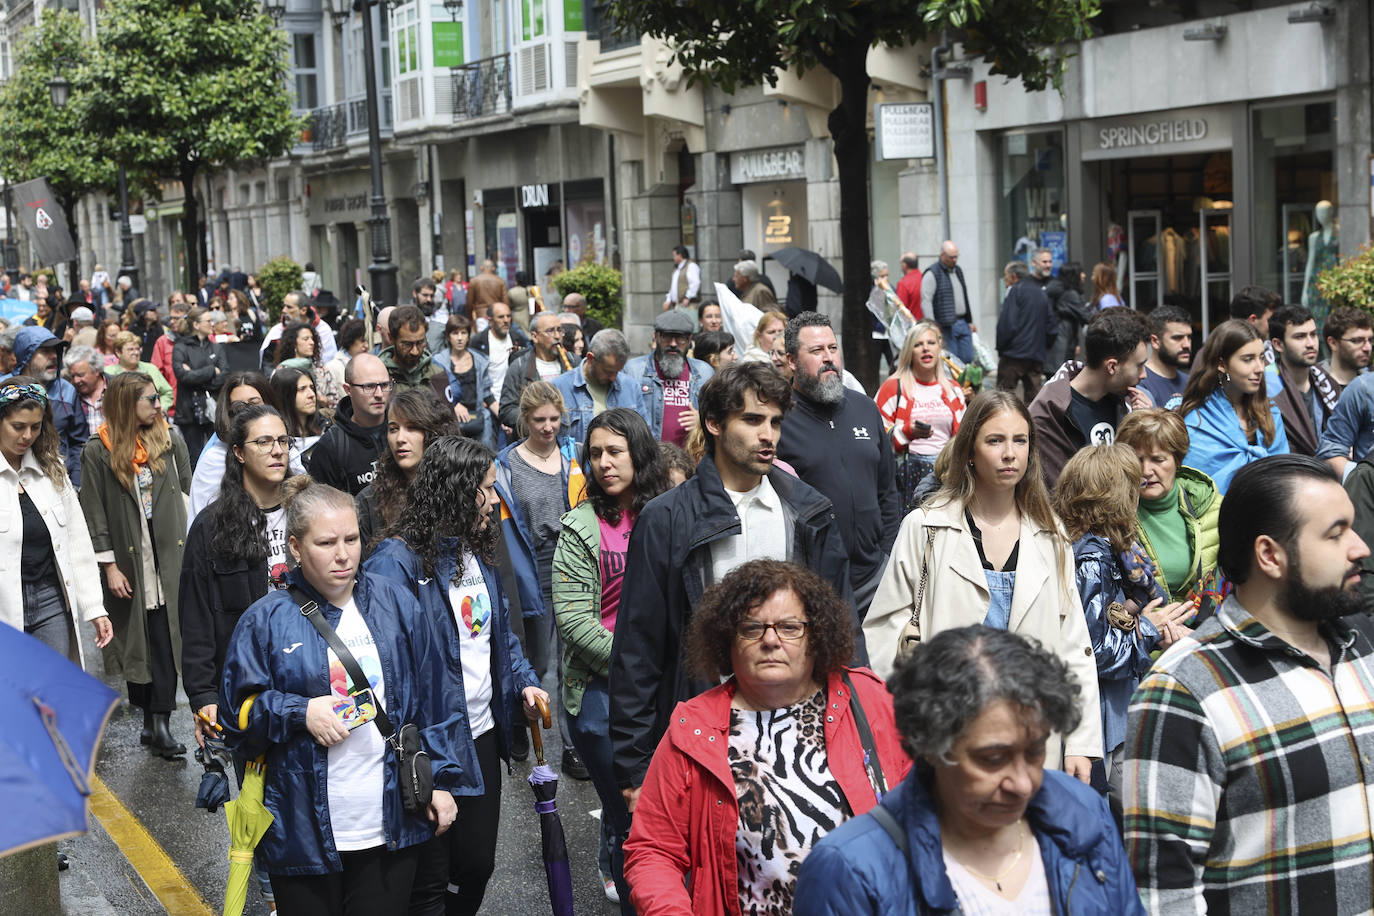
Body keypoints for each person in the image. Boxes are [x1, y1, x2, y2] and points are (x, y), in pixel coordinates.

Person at [1123, 454, 1374, 913]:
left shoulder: (1362, 649)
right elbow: (1165, 894)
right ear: (1270, 555)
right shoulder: (1184, 690)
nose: (1360, 547)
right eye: (1335, 533)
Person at [609, 362, 860, 811]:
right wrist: (635, 765)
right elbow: (638, 647)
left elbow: (843, 631)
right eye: (752, 420)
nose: (769, 435)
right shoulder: (666, 519)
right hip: (703, 724)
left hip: (798, 725)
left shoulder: (808, 511)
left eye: (776, 422)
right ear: (714, 424)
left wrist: (853, 728)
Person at [219, 478, 466, 914]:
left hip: (391, 821)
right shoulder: (265, 620)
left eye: (351, 539)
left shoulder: (396, 603)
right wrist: (300, 711)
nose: (343, 554)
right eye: (326, 542)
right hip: (302, 832)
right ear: (295, 547)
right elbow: (235, 718)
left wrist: (442, 781)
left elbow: (436, 697)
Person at [625, 560, 911, 915]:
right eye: (752, 628)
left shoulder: (870, 701)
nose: (771, 640)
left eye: (790, 627)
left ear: (816, 636)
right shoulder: (694, 729)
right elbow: (653, 850)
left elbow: (935, 810)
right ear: (727, 638)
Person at [795, 626, 1143, 916]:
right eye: (992, 759)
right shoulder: (849, 870)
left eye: (1036, 752)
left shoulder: (1081, 809)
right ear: (930, 746)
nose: (1022, 783)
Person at [864, 390, 1102, 780]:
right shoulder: (925, 528)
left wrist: (1081, 740)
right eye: (995, 440)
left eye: (1020, 440)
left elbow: (1074, 643)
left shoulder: (1051, 534)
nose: (1010, 453)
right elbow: (884, 630)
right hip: (947, 733)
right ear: (970, 450)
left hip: (1031, 733)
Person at [362, 437, 548, 916]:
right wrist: (414, 752)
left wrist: (523, 679)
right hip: (429, 741)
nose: (493, 500)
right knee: (429, 879)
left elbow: (499, 630)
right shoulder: (393, 564)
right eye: (485, 489)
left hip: (481, 734)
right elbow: (386, 668)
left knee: (477, 864)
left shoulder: (476, 548)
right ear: (455, 491)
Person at [552, 407, 670, 906]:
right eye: (595, 453)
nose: (603, 462)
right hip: (602, 694)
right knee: (629, 819)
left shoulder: (666, 513)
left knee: (669, 816)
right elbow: (577, 625)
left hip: (665, 687)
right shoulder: (579, 528)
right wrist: (642, 665)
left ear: (639, 455)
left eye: (615, 452)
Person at [1052, 443, 1194, 791]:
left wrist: (1141, 617)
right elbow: (1095, 651)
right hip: (1102, 721)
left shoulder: (1103, 547)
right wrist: (1149, 627)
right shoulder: (1091, 558)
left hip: (1114, 711)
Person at [79, 372, 192, 758]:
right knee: (136, 642)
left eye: (158, 398)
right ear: (128, 404)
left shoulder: (171, 440)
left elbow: (187, 492)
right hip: (129, 560)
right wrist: (109, 566)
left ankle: (160, 721)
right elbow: (93, 511)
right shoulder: (98, 450)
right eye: (149, 399)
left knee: (165, 637)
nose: (158, 406)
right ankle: (147, 719)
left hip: (168, 557)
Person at [181, 404, 295, 754]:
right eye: (263, 442)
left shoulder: (310, 510)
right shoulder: (211, 526)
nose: (277, 450)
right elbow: (196, 617)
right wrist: (203, 695)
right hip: (249, 687)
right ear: (238, 453)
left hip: (310, 676)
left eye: (282, 441)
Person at [779, 312, 901, 621]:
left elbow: (888, 489)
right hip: (814, 581)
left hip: (874, 575)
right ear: (792, 360)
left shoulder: (864, 408)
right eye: (817, 351)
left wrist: (888, 552)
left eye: (833, 349)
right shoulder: (778, 418)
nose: (829, 358)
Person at [493, 381, 587, 773]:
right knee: (538, 661)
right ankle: (519, 720)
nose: (548, 427)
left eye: (554, 419)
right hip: (529, 570)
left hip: (574, 567)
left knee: (572, 663)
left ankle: (572, 743)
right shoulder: (506, 463)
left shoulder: (575, 455)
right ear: (524, 421)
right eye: (539, 420)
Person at [0, 378, 110, 669]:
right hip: (4, 604)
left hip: (50, 600)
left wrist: (95, 608)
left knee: (51, 697)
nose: (27, 436)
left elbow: (76, 542)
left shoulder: (52, 469)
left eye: (35, 427)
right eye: (18, 426)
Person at [1028, 307, 1152, 486]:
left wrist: (1143, 426)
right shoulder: (1048, 415)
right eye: (1139, 366)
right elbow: (1061, 493)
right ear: (1111, 366)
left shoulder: (1125, 401)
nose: (1144, 375)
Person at [1115, 409, 1222, 611]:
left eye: (1158, 459)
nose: (1146, 470)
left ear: (1177, 460)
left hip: (1202, 631)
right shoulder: (1111, 515)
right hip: (1143, 633)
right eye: (1138, 460)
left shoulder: (1213, 507)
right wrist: (1147, 626)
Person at [1179, 319, 1288, 494]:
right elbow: (1192, 490)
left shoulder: (1271, 413)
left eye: (1261, 358)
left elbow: (1285, 476)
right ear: (1222, 364)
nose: (1260, 368)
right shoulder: (1196, 420)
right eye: (1248, 359)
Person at [876, 320, 967, 513]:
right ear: (909, 351)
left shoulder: (954, 390)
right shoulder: (893, 388)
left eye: (931, 343)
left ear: (940, 348)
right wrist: (908, 432)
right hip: (905, 476)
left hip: (947, 475)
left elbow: (964, 437)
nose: (925, 348)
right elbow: (877, 435)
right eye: (918, 344)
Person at [355, 389, 459, 553]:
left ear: (433, 432)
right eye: (393, 429)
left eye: (411, 427)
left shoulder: (459, 490)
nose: (400, 439)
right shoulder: (369, 501)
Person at [8, 326, 89, 486]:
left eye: (56, 350)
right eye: (45, 351)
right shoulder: (5, 389)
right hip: (11, 483)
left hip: (56, 481)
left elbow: (79, 442)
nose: (54, 356)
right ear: (27, 355)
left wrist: (76, 482)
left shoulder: (67, 390)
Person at [306, 353, 392, 496]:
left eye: (384, 385)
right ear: (348, 390)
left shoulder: (404, 429)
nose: (379, 394)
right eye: (369, 386)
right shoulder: (330, 447)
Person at [624, 310, 714, 446]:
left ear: (690, 340)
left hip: (690, 459)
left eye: (680, 338)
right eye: (667, 337)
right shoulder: (634, 370)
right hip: (648, 458)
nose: (673, 344)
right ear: (656, 337)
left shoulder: (704, 372)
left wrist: (701, 421)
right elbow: (621, 418)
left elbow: (718, 417)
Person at [1267, 303, 1338, 457]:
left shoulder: (1328, 383)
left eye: (1313, 334)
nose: (1310, 343)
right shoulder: (1267, 389)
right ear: (1278, 344)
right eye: (1300, 336)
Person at [550, 328, 641, 447]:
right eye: (608, 371)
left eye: (618, 372)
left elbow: (643, 438)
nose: (614, 378)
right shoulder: (560, 387)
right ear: (590, 358)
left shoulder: (631, 387)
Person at [497, 312, 570, 436]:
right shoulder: (519, 366)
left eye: (560, 330)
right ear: (535, 336)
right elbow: (506, 410)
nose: (557, 336)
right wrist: (535, 419)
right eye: (550, 331)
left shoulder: (573, 362)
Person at [172, 306, 227, 467]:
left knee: (219, 455)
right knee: (194, 458)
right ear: (196, 325)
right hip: (190, 411)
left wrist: (196, 376)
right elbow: (182, 376)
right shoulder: (181, 347)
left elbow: (225, 375)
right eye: (208, 321)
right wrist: (211, 370)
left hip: (213, 410)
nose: (212, 323)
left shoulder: (216, 347)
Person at [995, 260, 1056, 402]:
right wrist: (1043, 346)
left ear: (1014, 276)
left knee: (1004, 398)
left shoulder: (1015, 291)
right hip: (1035, 355)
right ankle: (1032, 424)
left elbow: (1007, 324)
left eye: (1006, 276)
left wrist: (1001, 347)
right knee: (1034, 400)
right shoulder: (1041, 292)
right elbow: (1052, 326)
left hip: (1013, 355)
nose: (1005, 281)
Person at [432, 313, 494, 445]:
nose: (460, 338)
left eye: (463, 333)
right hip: (451, 421)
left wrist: (505, 418)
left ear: (468, 335)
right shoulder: (439, 361)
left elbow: (488, 394)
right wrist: (454, 404)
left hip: (477, 420)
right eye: (455, 333)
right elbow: (435, 393)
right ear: (448, 336)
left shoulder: (480, 360)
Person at [921, 241, 975, 363]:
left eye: (956, 256)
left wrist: (969, 321)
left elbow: (964, 296)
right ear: (942, 255)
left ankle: (963, 382)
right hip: (945, 325)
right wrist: (932, 326)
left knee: (968, 358)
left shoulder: (958, 270)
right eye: (951, 257)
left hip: (962, 322)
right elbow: (926, 301)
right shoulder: (932, 273)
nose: (954, 260)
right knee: (951, 361)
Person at [274, 320, 343, 413]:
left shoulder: (320, 369)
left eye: (312, 339)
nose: (312, 342)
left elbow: (336, 401)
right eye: (306, 339)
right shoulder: (282, 371)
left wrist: (324, 401)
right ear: (293, 343)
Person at [107, 330, 176, 412]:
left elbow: (167, 393)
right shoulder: (109, 372)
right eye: (130, 349)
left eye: (137, 349)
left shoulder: (151, 369)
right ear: (118, 352)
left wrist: (162, 408)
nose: (136, 352)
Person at [1139, 304, 1193, 410]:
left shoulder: (1190, 382)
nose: (1187, 344)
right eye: (1178, 338)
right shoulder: (1141, 382)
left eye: (1189, 337)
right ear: (1155, 341)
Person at [1043, 260, 1090, 374]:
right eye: (1081, 272)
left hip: (1055, 343)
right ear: (1074, 275)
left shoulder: (1058, 290)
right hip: (1061, 345)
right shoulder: (1071, 294)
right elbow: (1087, 316)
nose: (1084, 275)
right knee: (1060, 378)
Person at [269, 366, 326, 455]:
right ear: (285, 396)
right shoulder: (274, 439)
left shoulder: (326, 427)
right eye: (302, 389)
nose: (311, 394)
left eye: (311, 387)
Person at [1320, 305, 1372, 393]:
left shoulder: (1370, 385)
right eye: (1357, 341)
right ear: (1333, 343)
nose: (1368, 348)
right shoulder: (1312, 384)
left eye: (1370, 340)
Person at [67, 346, 109, 434]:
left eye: (80, 375)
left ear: (96, 370)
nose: (76, 380)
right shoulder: (69, 394)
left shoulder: (117, 388)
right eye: (72, 376)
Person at [325, 318, 368, 396]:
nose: (366, 345)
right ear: (350, 340)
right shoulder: (333, 367)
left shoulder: (369, 364)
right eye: (362, 341)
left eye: (367, 341)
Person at [466, 259, 508, 325]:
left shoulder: (474, 281)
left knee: (482, 335)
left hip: (481, 315)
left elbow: (469, 302)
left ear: (481, 268)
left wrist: (469, 317)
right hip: (497, 314)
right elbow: (506, 302)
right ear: (493, 268)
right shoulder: (500, 281)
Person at [664, 244, 702, 315]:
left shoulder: (691, 266)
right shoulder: (677, 269)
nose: (673, 258)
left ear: (680, 255)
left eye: (674, 255)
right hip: (678, 305)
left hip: (689, 305)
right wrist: (668, 300)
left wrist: (688, 297)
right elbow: (673, 287)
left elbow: (695, 283)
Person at [895, 251, 923, 318]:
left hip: (912, 325)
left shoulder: (903, 283)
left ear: (905, 265)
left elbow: (901, 310)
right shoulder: (924, 278)